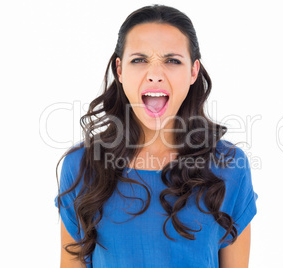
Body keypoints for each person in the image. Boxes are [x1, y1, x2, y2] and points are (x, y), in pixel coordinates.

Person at [55, 4, 258, 268]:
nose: (155, 75)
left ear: (193, 71)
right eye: (139, 60)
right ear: (119, 69)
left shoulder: (230, 166)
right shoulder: (81, 165)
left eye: (172, 61)